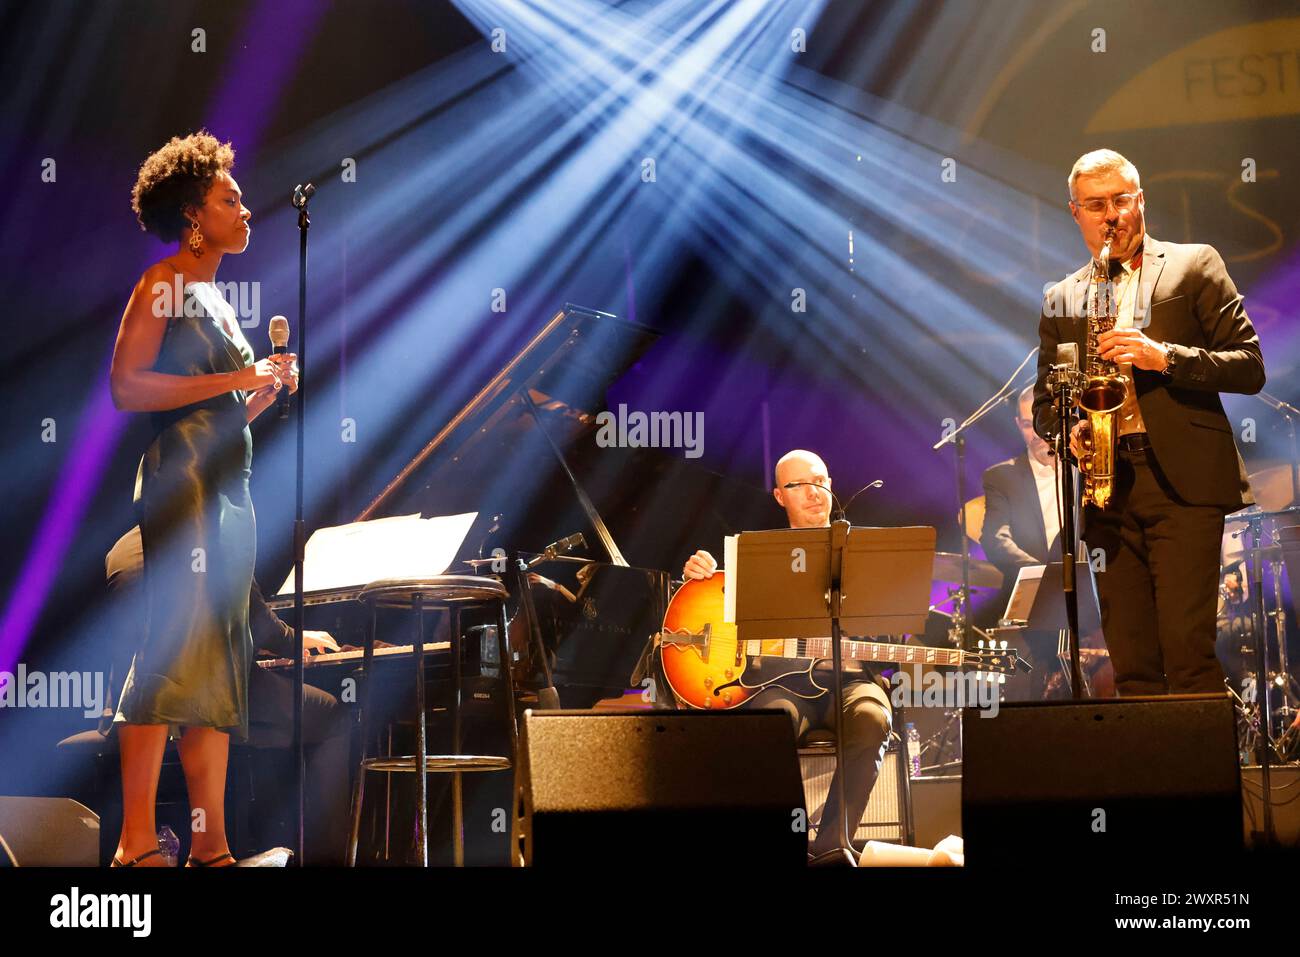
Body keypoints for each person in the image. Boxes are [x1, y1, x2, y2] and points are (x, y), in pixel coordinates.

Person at [108, 131, 297, 867]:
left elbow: (218, 416)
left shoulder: (216, 297)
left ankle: (211, 844)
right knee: (170, 652)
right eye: (230, 198)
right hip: (181, 487)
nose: (246, 208)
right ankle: (133, 843)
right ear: (194, 215)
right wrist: (235, 382)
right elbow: (128, 388)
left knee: (217, 664)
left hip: (227, 491)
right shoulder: (163, 282)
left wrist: (260, 394)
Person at [1032, 149, 1265, 696]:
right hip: (1106, 492)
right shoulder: (1062, 297)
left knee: (1188, 658)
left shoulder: (1194, 263)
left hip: (1181, 485)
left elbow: (1250, 366)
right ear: (1076, 213)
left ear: (1141, 201)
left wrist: (1164, 357)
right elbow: (1046, 402)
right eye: (1096, 205)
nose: (1110, 215)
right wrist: (1068, 433)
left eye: (1120, 200)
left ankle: (1207, 784)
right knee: (1132, 667)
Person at [682, 449, 891, 857]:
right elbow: (719, 614)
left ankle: (832, 849)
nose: (815, 493)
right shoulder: (756, 553)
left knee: (871, 718)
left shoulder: (865, 551)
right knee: (767, 727)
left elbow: (888, 638)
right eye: (800, 485)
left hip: (850, 681)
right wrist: (699, 577)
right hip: (782, 683)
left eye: (821, 481)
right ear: (780, 496)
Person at [105, 528, 352, 866]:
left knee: (239, 714)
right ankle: (326, 857)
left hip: (137, 698)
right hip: (193, 689)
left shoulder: (121, 549)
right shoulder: (213, 535)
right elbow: (257, 622)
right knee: (332, 716)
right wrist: (297, 638)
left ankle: (217, 846)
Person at [981, 385, 1112, 698]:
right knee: (1033, 690)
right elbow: (995, 538)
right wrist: (1043, 575)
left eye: (1044, 423)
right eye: (1028, 425)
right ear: (1018, 425)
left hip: (1094, 603)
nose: (1039, 434)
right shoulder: (1001, 477)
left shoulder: (1092, 469)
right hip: (1034, 608)